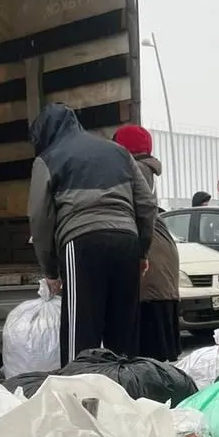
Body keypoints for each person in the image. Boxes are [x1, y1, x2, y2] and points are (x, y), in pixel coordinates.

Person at [27, 104, 158, 366]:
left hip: (82, 243)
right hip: (126, 242)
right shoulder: (119, 151)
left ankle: (79, 400)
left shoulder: (49, 158)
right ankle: (125, 398)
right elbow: (147, 204)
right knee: (123, 339)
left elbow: (40, 219)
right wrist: (142, 251)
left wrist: (51, 271)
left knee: (81, 337)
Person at [113, 125, 182, 361]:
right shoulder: (147, 168)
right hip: (162, 255)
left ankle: (149, 391)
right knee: (159, 346)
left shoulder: (132, 169)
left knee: (144, 349)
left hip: (150, 257)